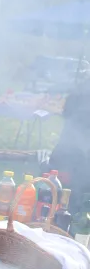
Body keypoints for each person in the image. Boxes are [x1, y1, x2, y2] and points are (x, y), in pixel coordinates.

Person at [49, 79, 90, 217]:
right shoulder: (84, 87)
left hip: (69, 154)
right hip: (72, 157)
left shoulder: (83, 84)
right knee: (70, 202)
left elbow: (66, 112)